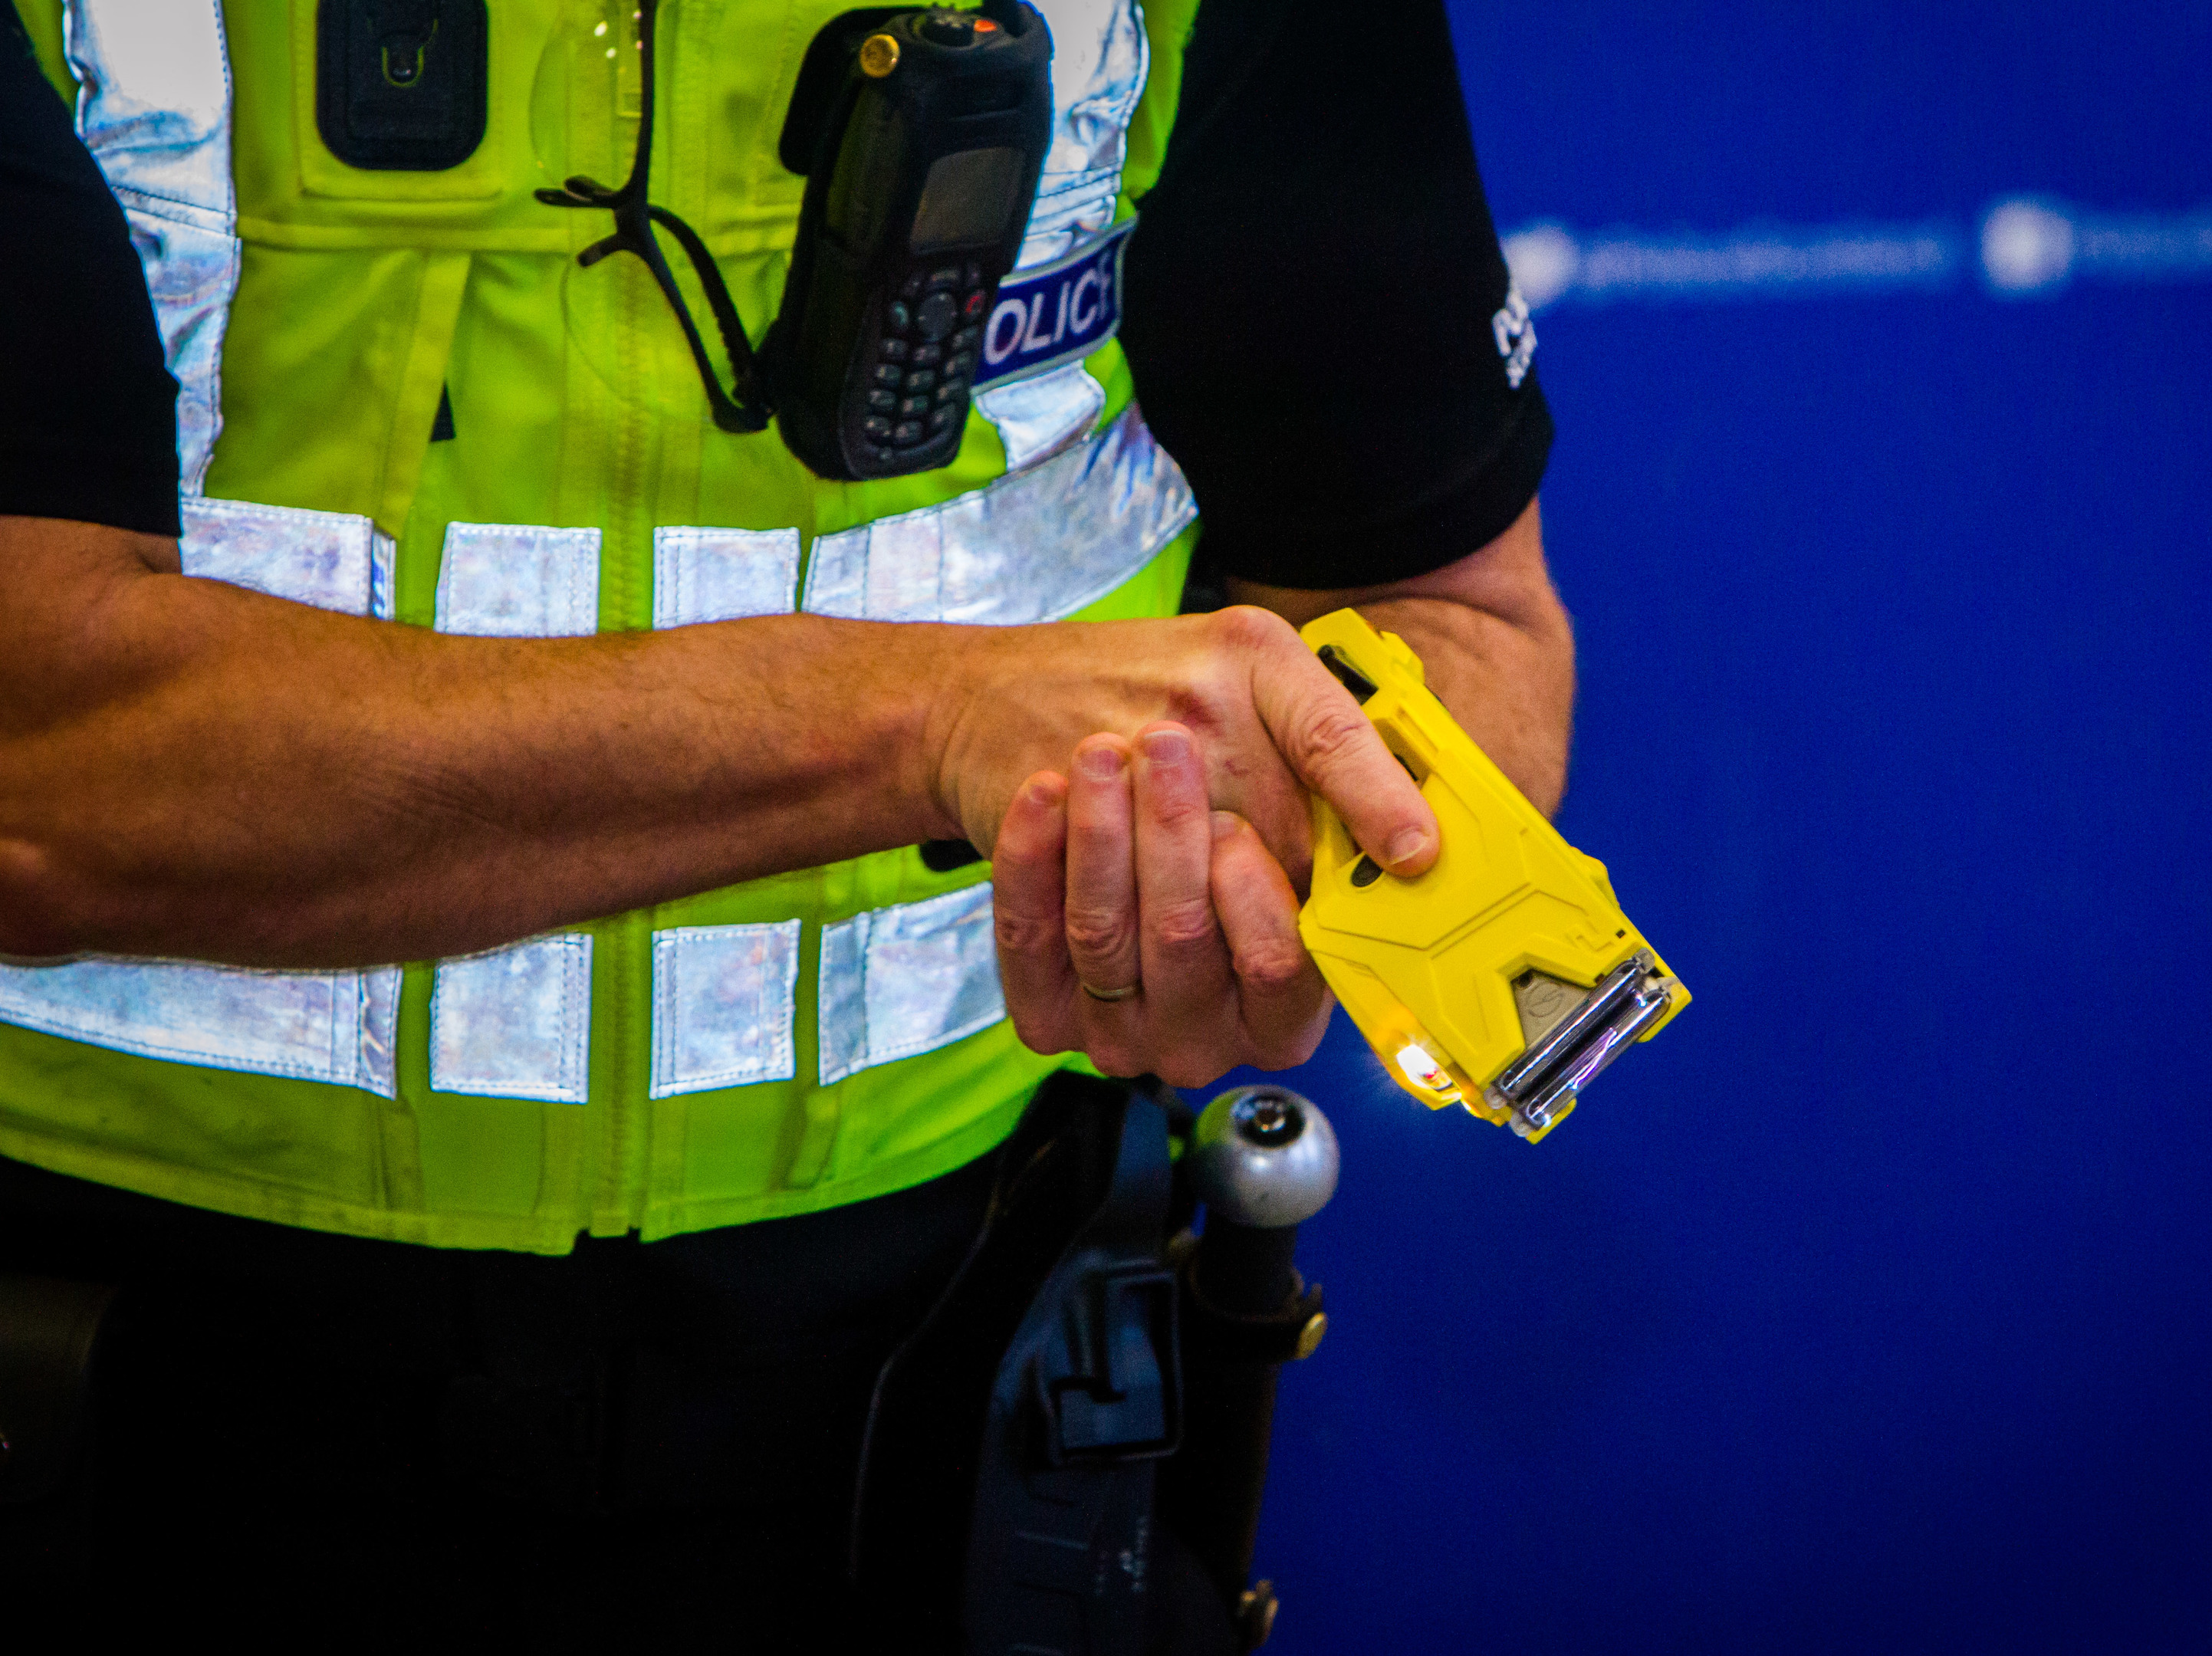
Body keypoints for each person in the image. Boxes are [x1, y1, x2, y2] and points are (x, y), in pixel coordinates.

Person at [0, 0, 1571, 1645]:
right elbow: (38, 775)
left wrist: (1265, 861)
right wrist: (931, 720)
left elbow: (1454, 613)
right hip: (119, 1361)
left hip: (957, 1376)